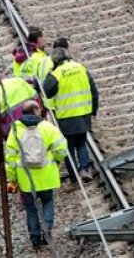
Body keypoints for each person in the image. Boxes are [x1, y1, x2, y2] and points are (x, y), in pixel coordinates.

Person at [5, 100, 68, 249]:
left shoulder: (15, 130)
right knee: (47, 201)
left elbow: (10, 158)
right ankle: (47, 228)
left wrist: (12, 179)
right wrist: (56, 161)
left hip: (26, 179)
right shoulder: (48, 127)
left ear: (23, 113)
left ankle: (35, 239)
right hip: (46, 176)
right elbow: (62, 149)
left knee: (31, 208)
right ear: (37, 110)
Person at [42, 38, 98, 184]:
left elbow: (46, 91)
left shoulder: (57, 73)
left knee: (68, 148)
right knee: (81, 143)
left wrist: (50, 73)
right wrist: (94, 110)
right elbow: (94, 90)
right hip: (84, 113)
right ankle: (84, 169)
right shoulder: (80, 67)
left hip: (66, 117)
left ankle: (74, 176)